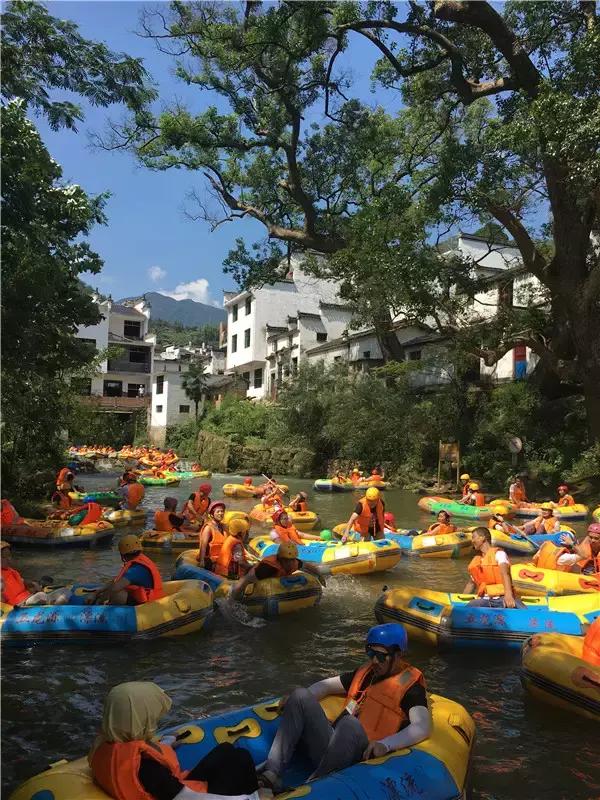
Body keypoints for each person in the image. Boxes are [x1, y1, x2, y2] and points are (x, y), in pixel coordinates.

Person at [256, 623, 431, 793]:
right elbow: (326, 686)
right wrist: (295, 700)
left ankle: (310, 787)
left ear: (398, 655)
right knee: (301, 695)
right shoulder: (366, 672)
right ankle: (271, 773)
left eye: (381, 656)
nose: (374, 660)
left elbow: (422, 726)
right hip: (335, 746)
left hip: (362, 759)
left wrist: (385, 745)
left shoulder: (411, 689)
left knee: (349, 724)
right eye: (370, 653)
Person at [89, 681, 261, 800]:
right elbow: (184, 797)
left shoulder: (104, 745)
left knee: (226, 749)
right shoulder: (147, 768)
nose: (155, 721)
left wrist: (166, 743)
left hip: (166, 791)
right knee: (240, 758)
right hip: (184, 796)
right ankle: (259, 794)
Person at [85, 535, 164, 606]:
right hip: (147, 595)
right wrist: (98, 591)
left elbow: (114, 588)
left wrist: (99, 600)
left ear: (122, 554)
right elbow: (116, 581)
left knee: (118, 594)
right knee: (116, 588)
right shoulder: (140, 560)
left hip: (149, 603)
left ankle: (103, 609)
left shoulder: (135, 570)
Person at [232, 542, 322, 599]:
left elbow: (308, 566)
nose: (290, 563)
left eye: (292, 559)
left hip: (276, 578)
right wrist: (233, 600)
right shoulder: (268, 568)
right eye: (287, 560)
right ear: (280, 558)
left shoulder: (295, 562)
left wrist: (320, 576)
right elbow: (245, 580)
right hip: (255, 573)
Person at [463, 527, 524, 608]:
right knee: (473, 604)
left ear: (483, 538)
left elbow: (505, 573)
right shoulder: (477, 561)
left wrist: (508, 595)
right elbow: (471, 583)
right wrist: (462, 598)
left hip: (502, 598)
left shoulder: (499, 554)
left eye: (474, 537)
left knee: (521, 608)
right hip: (485, 601)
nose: (472, 541)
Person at [1, 540, 70, 606]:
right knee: (41, 596)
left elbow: (23, 582)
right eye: (3, 557)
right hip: (17, 606)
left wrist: (34, 585)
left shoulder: (12, 572)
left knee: (66, 591)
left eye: (9, 555)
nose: (8, 559)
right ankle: (53, 609)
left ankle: (55, 608)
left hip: (28, 598)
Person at [197, 501, 226, 571]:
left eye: (222, 511)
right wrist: (202, 561)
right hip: (210, 560)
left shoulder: (223, 527)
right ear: (212, 514)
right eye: (218, 512)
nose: (221, 513)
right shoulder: (208, 528)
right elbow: (203, 546)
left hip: (221, 559)